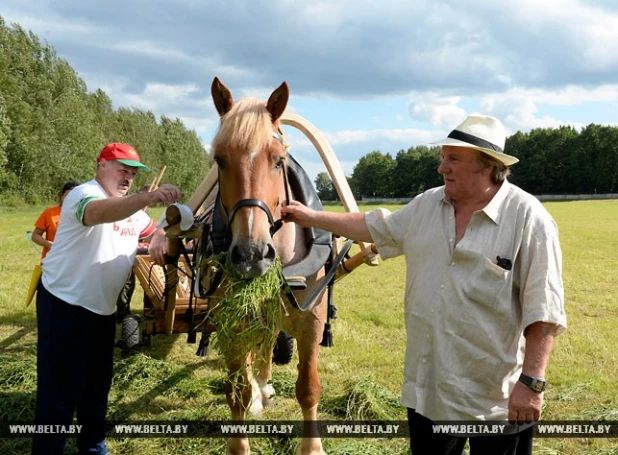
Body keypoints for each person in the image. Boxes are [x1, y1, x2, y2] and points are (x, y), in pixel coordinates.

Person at [281, 115, 567, 455]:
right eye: (443, 157)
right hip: (429, 392)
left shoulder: (529, 219)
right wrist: (310, 216)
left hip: (497, 398)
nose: (441, 167)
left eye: (453, 159)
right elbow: (374, 227)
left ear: (488, 166)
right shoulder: (427, 205)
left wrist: (531, 384)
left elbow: (544, 311)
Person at [33, 142, 183, 455]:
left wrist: (157, 235)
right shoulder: (84, 195)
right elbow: (97, 214)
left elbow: (152, 229)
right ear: (101, 165)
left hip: (102, 309)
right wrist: (148, 197)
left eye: (133, 173)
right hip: (64, 303)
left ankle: (92, 446)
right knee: (59, 391)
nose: (128, 177)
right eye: (122, 169)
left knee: (97, 386)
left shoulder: (131, 210)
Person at [31, 181, 79, 260]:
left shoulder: (84, 214)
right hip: (52, 260)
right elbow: (35, 236)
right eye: (68, 195)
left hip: (75, 260)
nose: (71, 198)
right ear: (62, 196)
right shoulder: (49, 213)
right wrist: (48, 244)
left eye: (75, 196)